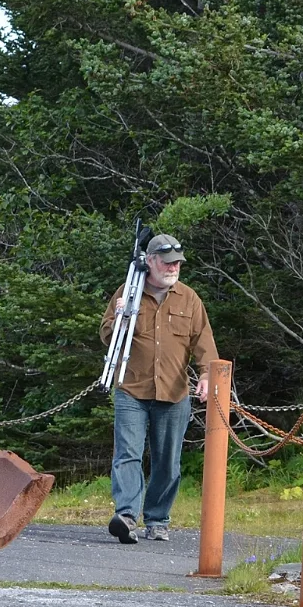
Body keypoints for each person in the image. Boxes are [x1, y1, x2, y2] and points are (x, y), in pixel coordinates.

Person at [99, 232, 217, 543]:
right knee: (127, 454)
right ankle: (126, 515)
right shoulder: (128, 291)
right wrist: (121, 319)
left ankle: (157, 519)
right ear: (150, 261)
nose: (172, 267)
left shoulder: (189, 298)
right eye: (166, 262)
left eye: (177, 262)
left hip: (174, 392)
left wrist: (207, 375)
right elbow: (106, 335)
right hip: (131, 389)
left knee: (168, 461)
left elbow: (203, 342)